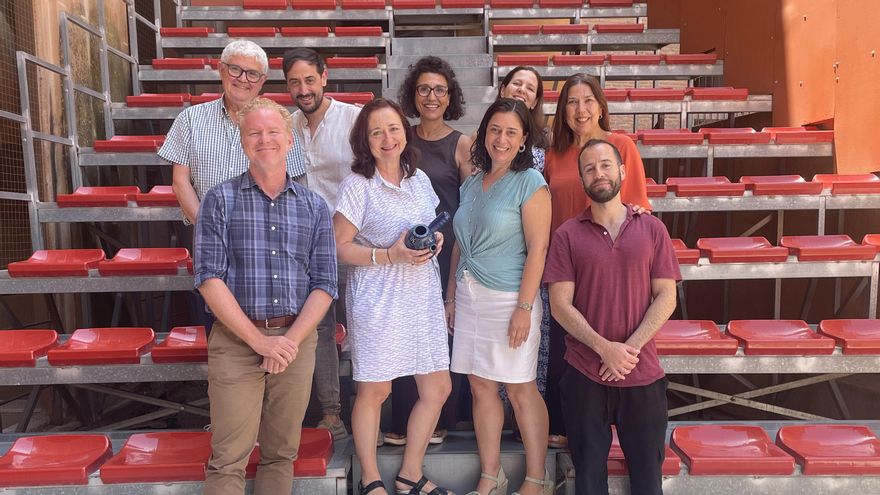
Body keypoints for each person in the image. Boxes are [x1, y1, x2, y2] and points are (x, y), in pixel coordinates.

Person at [193, 97, 337, 495]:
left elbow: (325, 283)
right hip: (238, 342)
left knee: (280, 455)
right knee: (227, 460)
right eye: (254, 132)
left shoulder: (314, 207)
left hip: (296, 342)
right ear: (242, 142)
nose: (264, 139)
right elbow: (209, 279)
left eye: (273, 131)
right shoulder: (219, 200)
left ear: (290, 140)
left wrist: (287, 342)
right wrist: (260, 342)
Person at [544, 139, 679, 495]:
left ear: (622, 171)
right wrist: (605, 349)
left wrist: (627, 350)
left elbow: (667, 296)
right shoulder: (566, 235)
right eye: (589, 168)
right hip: (585, 376)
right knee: (588, 482)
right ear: (581, 179)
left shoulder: (653, 230)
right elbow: (560, 304)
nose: (598, 173)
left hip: (643, 375)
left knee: (648, 484)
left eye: (605, 165)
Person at [334, 98, 452, 495]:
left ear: (406, 131)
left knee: (437, 388)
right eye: (376, 132)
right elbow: (339, 247)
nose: (388, 138)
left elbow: (431, 226)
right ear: (364, 141)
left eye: (394, 128)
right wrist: (390, 254)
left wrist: (434, 241)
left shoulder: (418, 179)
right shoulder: (358, 185)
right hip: (379, 298)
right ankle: (370, 480)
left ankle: (409, 475)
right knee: (375, 390)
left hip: (421, 296)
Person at [448, 98, 553, 495]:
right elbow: (461, 243)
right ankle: (492, 475)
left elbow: (538, 249)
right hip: (470, 296)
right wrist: (451, 297)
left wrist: (524, 308)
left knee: (520, 386)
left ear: (524, 139)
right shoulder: (472, 182)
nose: (501, 138)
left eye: (511, 132)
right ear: (484, 133)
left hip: (510, 298)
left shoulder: (531, 183)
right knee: (480, 385)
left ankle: (536, 477)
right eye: (495, 129)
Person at [543, 73, 651, 449]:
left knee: (607, 338)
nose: (580, 109)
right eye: (572, 102)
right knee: (563, 349)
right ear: (563, 111)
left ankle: (614, 425)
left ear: (601, 105)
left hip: (609, 262)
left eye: (588, 100)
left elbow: (639, 207)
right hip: (565, 263)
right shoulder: (554, 153)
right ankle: (563, 423)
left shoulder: (621, 145)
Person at [390, 55, 473, 446]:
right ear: (413, 93)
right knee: (405, 331)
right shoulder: (399, 136)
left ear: (450, 95)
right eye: (423, 88)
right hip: (403, 250)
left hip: (447, 252)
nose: (431, 96)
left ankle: (442, 417)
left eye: (439, 89)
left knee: (441, 332)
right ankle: (405, 417)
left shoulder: (462, 144)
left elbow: (472, 203)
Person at [283, 46, 362, 441]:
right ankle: (332, 412)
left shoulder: (353, 119)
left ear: (325, 76)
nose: (304, 89)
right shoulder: (284, 125)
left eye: (309, 79)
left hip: (352, 240)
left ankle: (370, 409)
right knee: (321, 328)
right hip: (305, 250)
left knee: (364, 325)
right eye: (295, 82)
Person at [160, 39, 306, 224]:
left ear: (262, 81)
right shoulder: (190, 119)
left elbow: (292, 186)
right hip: (207, 234)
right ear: (221, 69)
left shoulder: (279, 122)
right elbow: (180, 182)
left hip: (263, 237)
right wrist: (208, 230)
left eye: (252, 74)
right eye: (235, 69)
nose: (243, 79)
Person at [496, 66, 549, 172]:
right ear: (502, 90)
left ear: (535, 101)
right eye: (517, 83)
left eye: (530, 88)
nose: (521, 90)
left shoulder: (546, 137)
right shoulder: (480, 135)